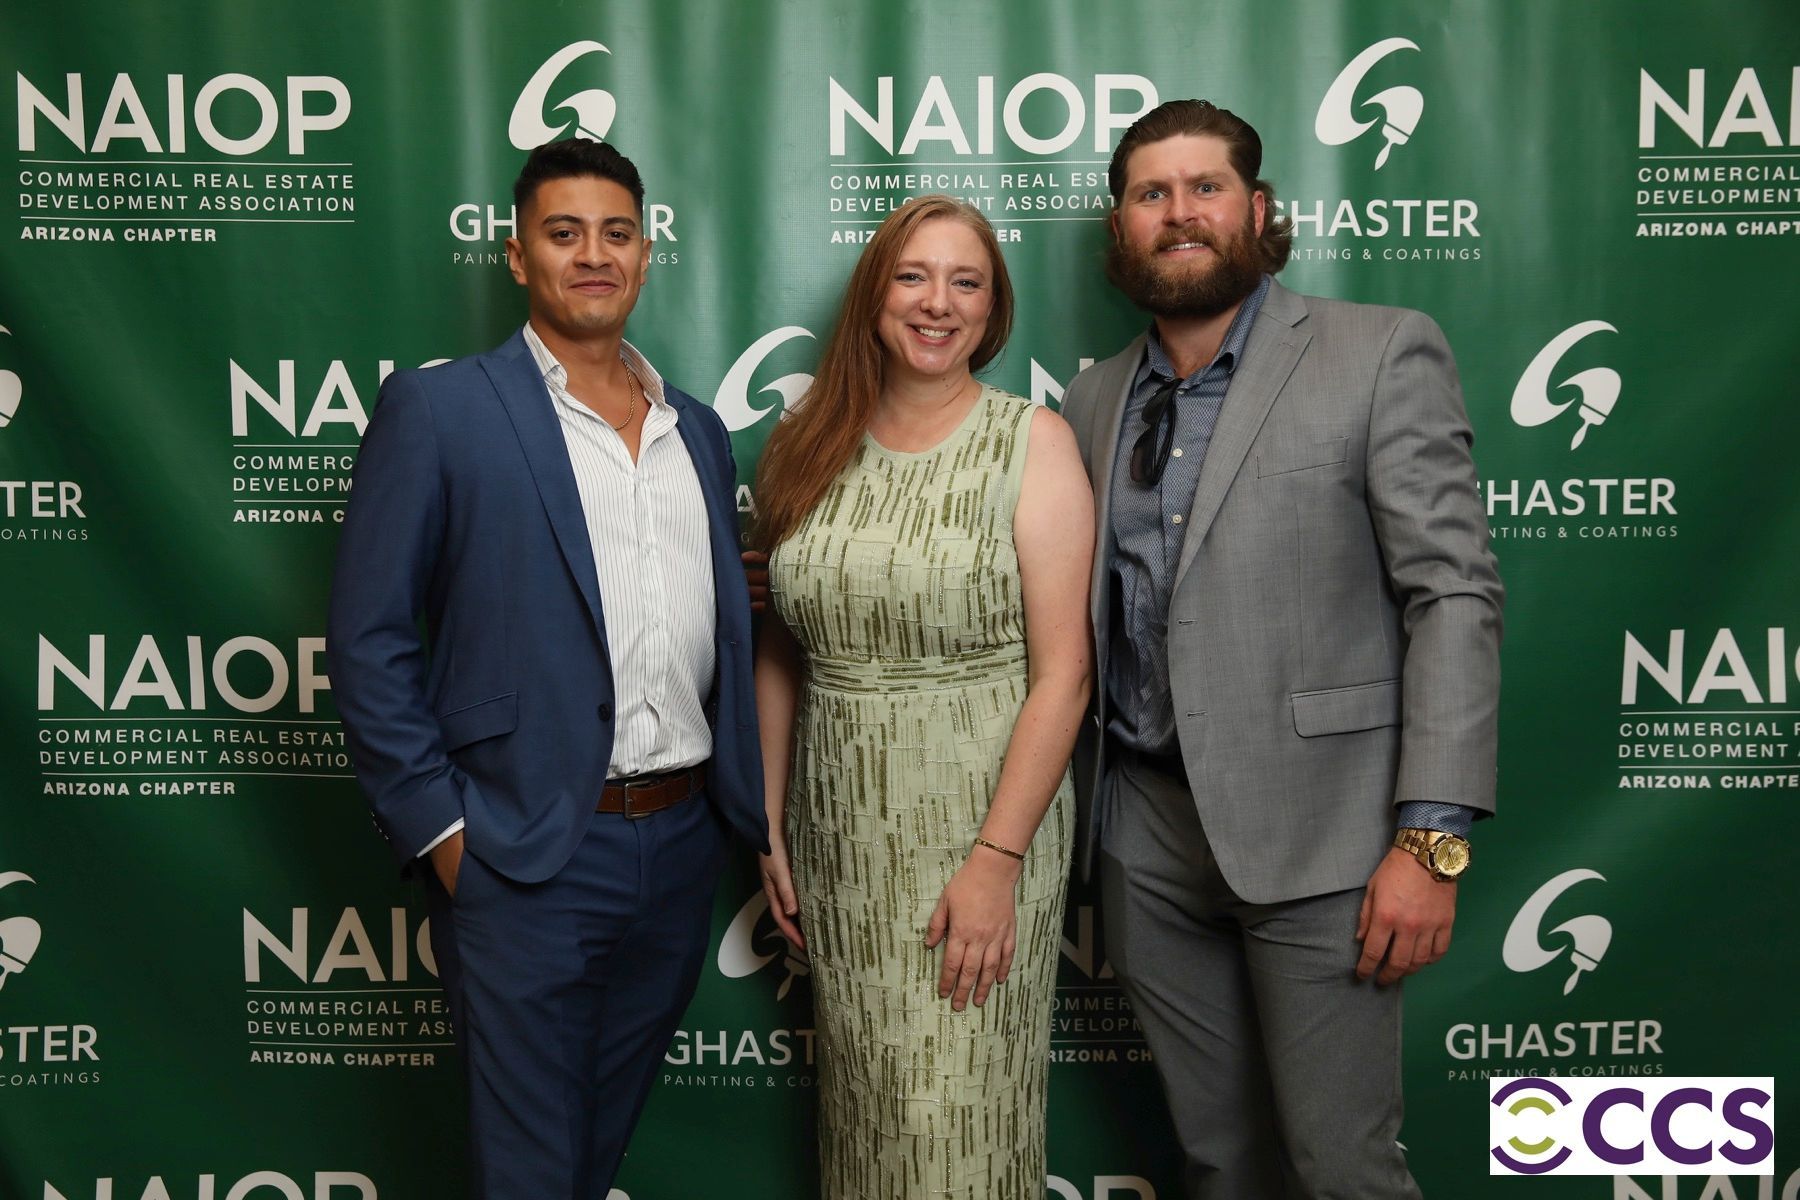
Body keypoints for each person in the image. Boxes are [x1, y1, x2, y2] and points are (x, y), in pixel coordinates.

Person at [1059, 100, 1504, 1199]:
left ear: (1258, 210)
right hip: (1145, 839)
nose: (1179, 213)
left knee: (1339, 1165)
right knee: (1221, 1162)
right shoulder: (1093, 399)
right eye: (1151, 194)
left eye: (1204, 187)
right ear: (1122, 227)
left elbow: (1452, 594)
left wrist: (1431, 840)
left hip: (1326, 835)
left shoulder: (1378, 350)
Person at [327, 137, 767, 1200]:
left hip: (677, 845)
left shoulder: (699, 432)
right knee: (528, 1170)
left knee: (591, 1158)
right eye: (564, 234)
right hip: (522, 848)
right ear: (519, 256)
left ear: (647, 253)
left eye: (616, 233)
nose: (594, 254)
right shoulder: (440, 412)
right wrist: (444, 834)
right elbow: (368, 637)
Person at [752, 194, 1094, 1198]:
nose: (937, 302)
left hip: (980, 828)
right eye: (913, 276)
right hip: (840, 832)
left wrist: (995, 863)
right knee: (871, 1119)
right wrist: (766, 825)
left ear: (992, 308)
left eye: (965, 282)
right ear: (875, 294)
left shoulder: (1032, 443)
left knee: (958, 1124)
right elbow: (782, 648)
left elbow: (1064, 675)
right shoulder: (806, 440)